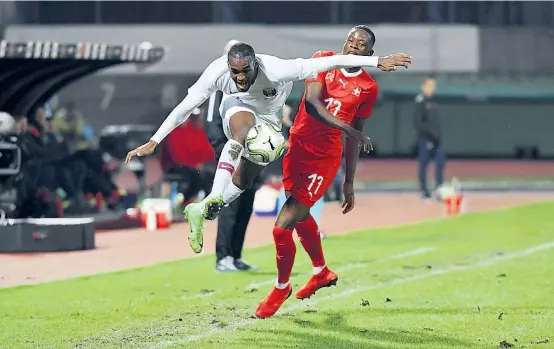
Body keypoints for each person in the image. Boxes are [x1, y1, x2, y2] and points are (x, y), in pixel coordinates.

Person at [125, 41, 411, 254]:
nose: (239, 78)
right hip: (237, 111)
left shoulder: (278, 69)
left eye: (244, 71)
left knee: (247, 179)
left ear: (255, 65)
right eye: (234, 72)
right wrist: (155, 140)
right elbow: (186, 107)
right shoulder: (217, 73)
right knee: (240, 131)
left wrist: (376, 61)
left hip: (271, 121)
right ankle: (213, 195)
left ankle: (202, 209)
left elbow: (331, 61)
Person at [255, 25, 406, 319]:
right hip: (297, 147)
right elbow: (312, 104)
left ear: (369, 54)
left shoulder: (368, 88)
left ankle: (280, 286)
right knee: (301, 218)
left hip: (323, 158)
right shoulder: (322, 59)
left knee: (282, 225)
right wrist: (347, 127)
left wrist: (348, 182)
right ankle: (321, 272)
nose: (353, 46)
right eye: (350, 40)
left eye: (361, 45)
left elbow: (355, 138)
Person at [206, 40, 259, 272]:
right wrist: (225, 153)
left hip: (251, 157)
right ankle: (222, 257)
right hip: (230, 156)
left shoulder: (251, 87)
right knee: (229, 205)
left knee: (246, 204)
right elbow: (212, 125)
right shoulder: (218, 86)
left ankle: (236, 255)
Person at [160, 107, 216, 205]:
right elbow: (177, 156)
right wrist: (195, 164)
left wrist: (201, 162)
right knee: (197, 177)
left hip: (194, 165)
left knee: (209, 177)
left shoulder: (197, 131)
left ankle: (207, 205)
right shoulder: (175, 132)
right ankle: (186, 202)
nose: (195, 119)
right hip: (176, 165)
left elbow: (207, 151)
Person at [413, 77, 446, 200]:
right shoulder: (420, 101)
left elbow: (437, 122)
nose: (432, 88)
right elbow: (418, 122)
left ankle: (439, 188)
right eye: (429, 85)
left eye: (433, 86)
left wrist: (438, 135)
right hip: (426, 139)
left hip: (437, 139)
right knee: (424, 164)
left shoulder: (435, 101)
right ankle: (423, 190)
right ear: (424, 86)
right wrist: (428, 136)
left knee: (441, 162)